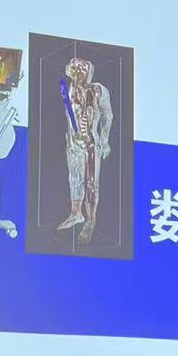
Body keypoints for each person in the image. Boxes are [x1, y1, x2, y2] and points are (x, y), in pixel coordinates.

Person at [58, 57, 113, 245]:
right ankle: (76, 214)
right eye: (74, 69)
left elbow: (107, 115)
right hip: (73, 142)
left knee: (91, 182)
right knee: (74, 178)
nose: (78, 73)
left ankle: (90, 221)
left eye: (82, 69)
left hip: (90, 143)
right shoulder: (68, 89)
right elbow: (71, 115)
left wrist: (104, 140)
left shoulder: (98, 90)